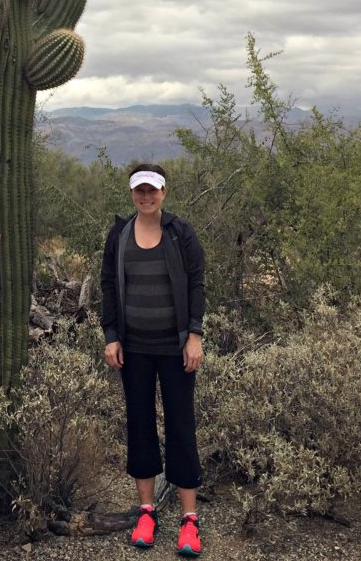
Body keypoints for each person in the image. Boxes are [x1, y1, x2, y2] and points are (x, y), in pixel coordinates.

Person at [101, 163, 205, 556]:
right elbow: (108, 284)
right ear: (132, 194)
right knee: (139, 425)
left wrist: (194, 335)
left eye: (153, 191)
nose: (146, 197)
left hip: (176, 348)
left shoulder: (180, 233)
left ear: (164, 192)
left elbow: (196, 281)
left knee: (181, 426)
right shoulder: (120, 234)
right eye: (139, 191)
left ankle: (189, 519)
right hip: (135, 349)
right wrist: (111, 335)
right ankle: (147, 511)